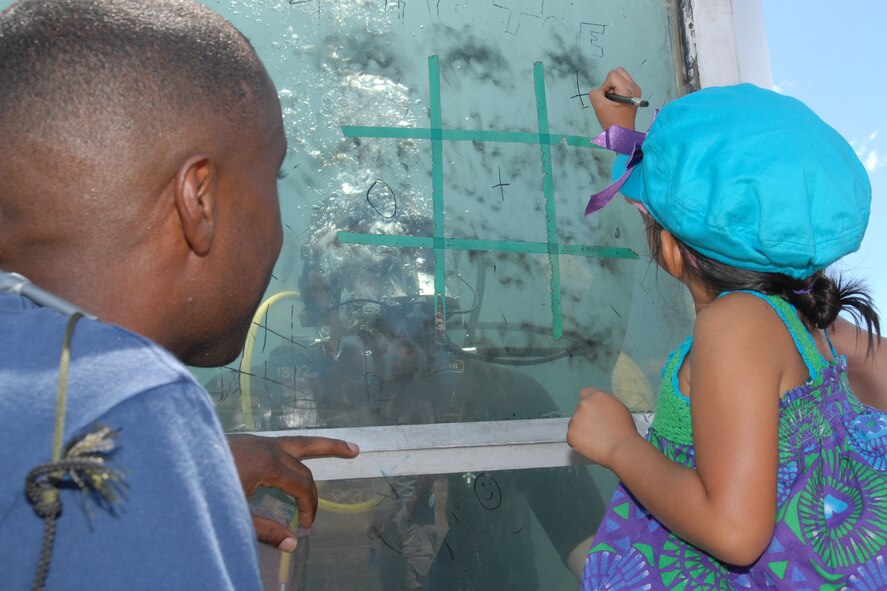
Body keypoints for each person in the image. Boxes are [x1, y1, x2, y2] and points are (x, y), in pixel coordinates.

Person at [0, 1, 357, 589]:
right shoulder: (133, 402)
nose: (278, 227)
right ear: (200, 200)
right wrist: (155, 438)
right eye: (274, 177)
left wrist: (177, 469)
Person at [567, 67, 887, 589]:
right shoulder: (810, 318)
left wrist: (619, 445)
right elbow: (700, 216)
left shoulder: (733, 327)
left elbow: (736, 533)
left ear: (671, 250)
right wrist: (621, 130)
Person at [236, 195, 610, 590]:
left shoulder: (505, 398)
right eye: (385, 318)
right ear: (321, 291)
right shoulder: (272, 401)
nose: (407, 337)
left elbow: (590, 549)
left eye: (420, 315)